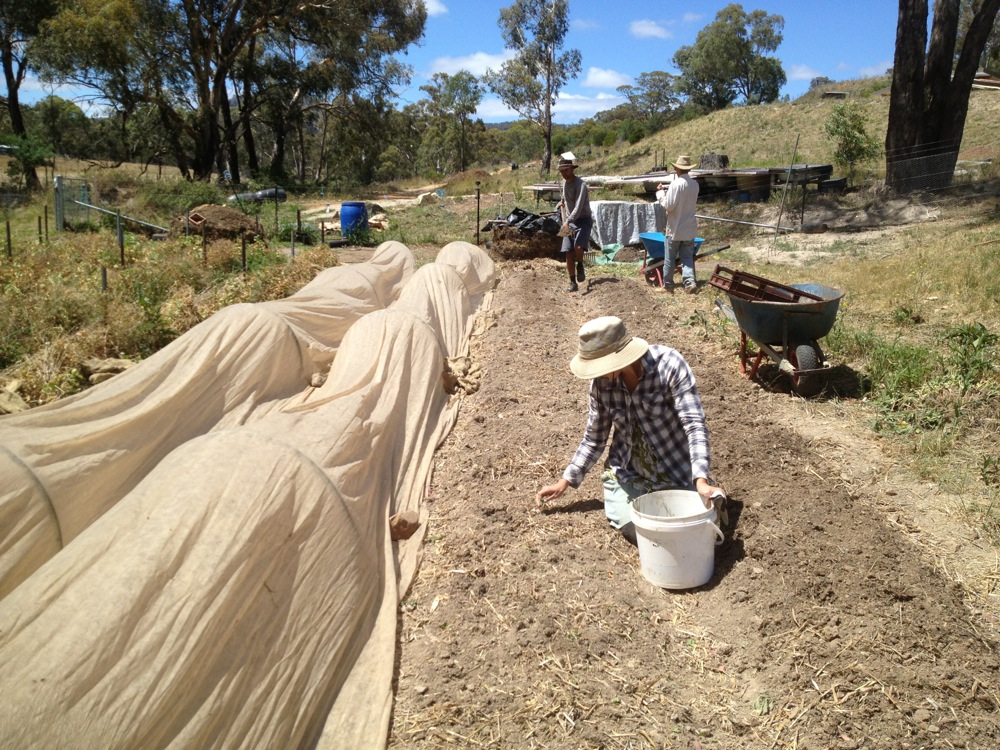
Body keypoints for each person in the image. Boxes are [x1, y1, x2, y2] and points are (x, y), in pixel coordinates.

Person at [536, 316, 724, 544]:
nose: (598, 373)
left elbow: (694, 425)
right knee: (644, 533)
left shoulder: (669, 365)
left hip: (677, 471)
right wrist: (565, 480)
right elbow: (594, 439)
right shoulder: (601, 385)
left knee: (699, 533)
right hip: (630, 476)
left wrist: (701, 479)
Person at [656, 155, 701, 293]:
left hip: (675, 228)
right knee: (687, 257)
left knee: (669, 258)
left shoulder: (676, 184)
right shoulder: (695, 184)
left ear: (677, 169)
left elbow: (668, 206)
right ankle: (689, 282)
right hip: (689, 228)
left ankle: (668, 284)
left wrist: (660, 193)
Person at [556, 152, 592, 293]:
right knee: (567, 252)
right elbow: (565, 200)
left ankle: (581, 264)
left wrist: (568, 221)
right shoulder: (564, 184)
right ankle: (572, 282)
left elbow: (578, 206)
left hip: (583, 220)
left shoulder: (581, 185)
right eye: (562, 171)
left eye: (566, 170)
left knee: (578, 247)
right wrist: (561, 203)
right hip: (569, 222)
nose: (564, 173)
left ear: (572, 169)